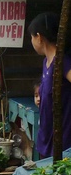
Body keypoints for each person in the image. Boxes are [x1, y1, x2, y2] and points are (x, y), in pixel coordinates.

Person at [27, 12, 71, 158]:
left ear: (39, 37)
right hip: (46, 136)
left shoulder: (62, 62)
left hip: (62, 139)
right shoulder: (46, 62)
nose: (32, 41)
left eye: (32, 37)